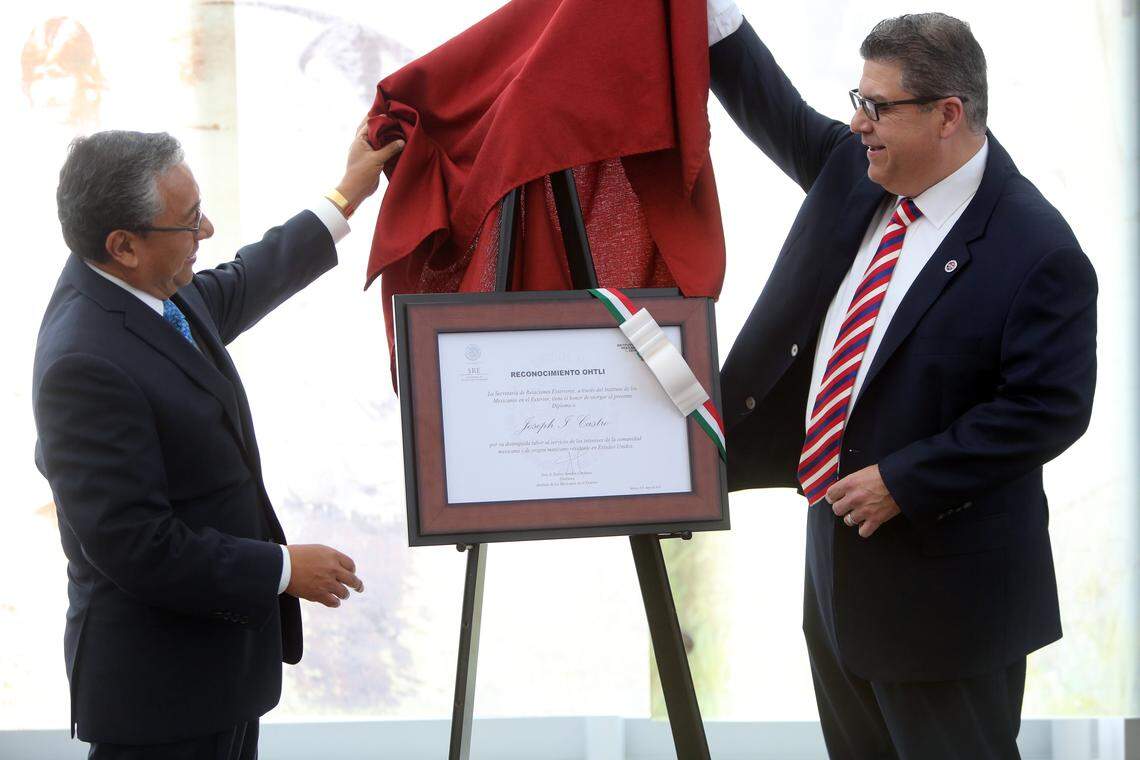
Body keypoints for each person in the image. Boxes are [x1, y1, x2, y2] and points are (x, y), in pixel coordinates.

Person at [707, 4, 1097, 759]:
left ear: (948, 114)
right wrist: (701, 15)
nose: (858, 123)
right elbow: (772, 105)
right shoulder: (858, 175)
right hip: (837, 577)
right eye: (858, 101)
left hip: (946, 600)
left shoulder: (1036, 247)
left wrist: (906, 480)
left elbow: (1049, 408)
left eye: (878, 106)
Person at [32, 128, 404, 759]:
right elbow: (135, 546)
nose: (205, 233)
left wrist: (344, 198)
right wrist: (284, 569)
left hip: (218, 671)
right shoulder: (84, 361)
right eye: (188, 222)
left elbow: (241, 282)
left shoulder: (150, 291)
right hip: (160, 693)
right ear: (123, 245)